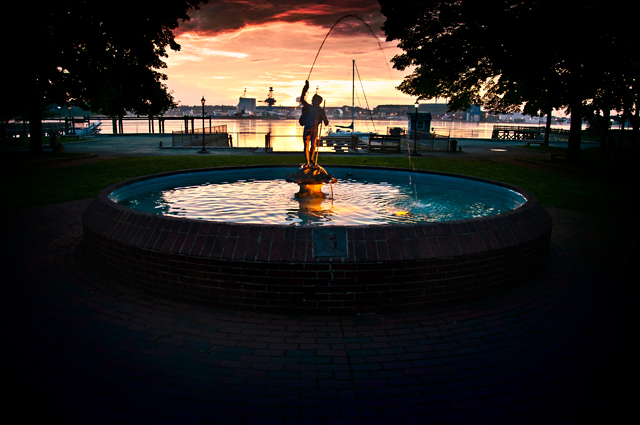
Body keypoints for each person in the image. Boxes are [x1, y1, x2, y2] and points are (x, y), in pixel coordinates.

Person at [299, 80, 328, 167]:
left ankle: (310, 159)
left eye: (313, 100)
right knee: (308, 145)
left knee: (313, 145)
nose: (311, 100)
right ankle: (308, 161)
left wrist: (325, 120)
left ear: (317, 101)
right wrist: (305, 88)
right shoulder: (312, 108)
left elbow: (326, 122)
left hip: (313, 129)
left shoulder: (319, 110)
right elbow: (302, 100)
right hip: (309, 128)